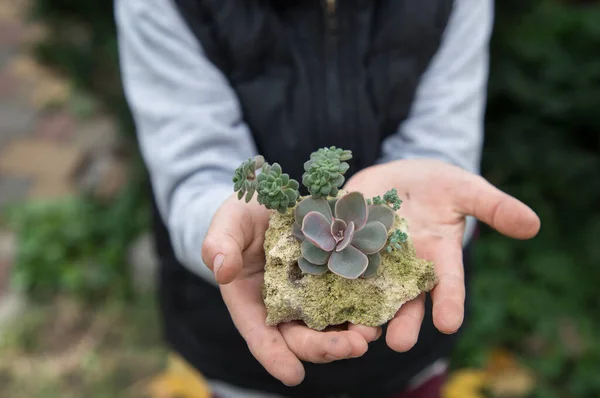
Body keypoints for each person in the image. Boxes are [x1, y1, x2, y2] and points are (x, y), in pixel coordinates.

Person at [115, 0, 540, 397]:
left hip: (407, 352)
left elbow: (441, 144)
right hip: (233, 350)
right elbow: (194, 167)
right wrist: (218, 219)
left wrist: (434, 198)